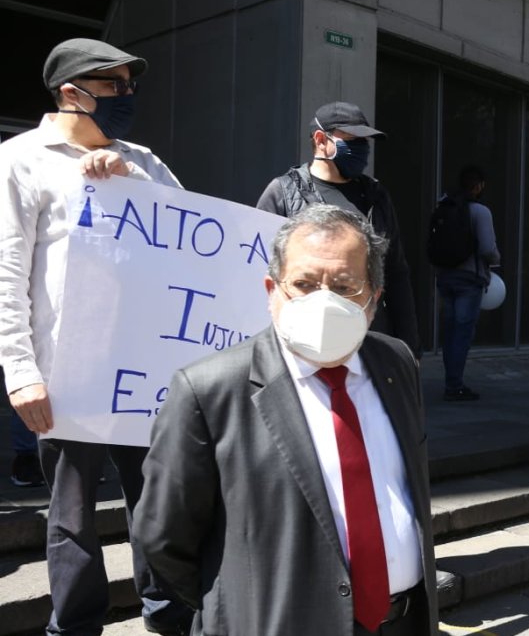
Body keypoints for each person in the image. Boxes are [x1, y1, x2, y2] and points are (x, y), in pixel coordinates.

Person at [134, 205, 437, 635]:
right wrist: (238, 611)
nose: (323, 301)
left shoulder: (396, 362)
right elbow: (164, 539)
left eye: (344, 286)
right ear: (272, 289)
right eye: (304, 284)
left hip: (404, 622)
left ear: (374, 298)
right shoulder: (209, 390)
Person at [0, 38, 193, 636]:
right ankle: (76, 626)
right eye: (114, 84)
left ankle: (170, 614)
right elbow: (7, 272)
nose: (127, 96)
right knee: (71, 514)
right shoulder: (20, 160)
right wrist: (21, 372)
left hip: (145, 368)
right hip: (68, 370)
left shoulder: (143, 159)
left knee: (159, 502)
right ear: (70, 92)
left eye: (130, 85)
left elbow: (191, 237)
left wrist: (132, 181)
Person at [257, 101, 421, 357]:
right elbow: (260, 272)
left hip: (368, 341)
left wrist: (409, 348)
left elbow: (396, 273)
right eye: (352, 140)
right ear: (321, 140)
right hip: (303, 342)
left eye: (364, 142)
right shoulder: (283, 194)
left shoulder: (376, 196)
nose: (361, 149)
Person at [434, 166, 501, 401]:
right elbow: (487, 249)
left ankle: (451, 381)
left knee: (450, 331)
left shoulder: (444, 206)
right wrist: (497, 259)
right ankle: (454, 385)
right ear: (479, 186)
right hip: (469, 278)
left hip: (446, 276)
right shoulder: (480, 211)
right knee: (462, 333)